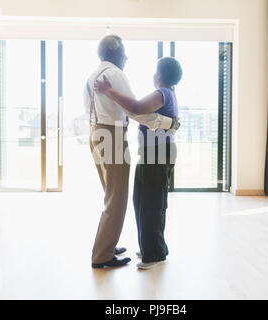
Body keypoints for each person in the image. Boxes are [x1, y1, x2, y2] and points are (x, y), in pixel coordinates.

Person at [85, 35, 180, 269]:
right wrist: (170, 123)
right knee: (117, 198)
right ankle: (102, 254)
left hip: (97, 134)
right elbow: (136, 110)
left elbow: (91, 108)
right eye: (124, 52)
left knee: (113, 195)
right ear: (115, 53)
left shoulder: (91, 75)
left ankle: (107, 244)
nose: (126, 57)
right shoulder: (116, 75)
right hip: (112, 135)